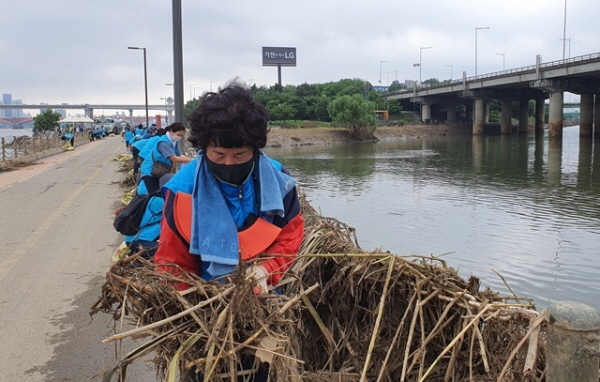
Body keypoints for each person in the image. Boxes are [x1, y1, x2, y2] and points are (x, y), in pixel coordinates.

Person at [154, 81, 304, 381]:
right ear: (203, 149)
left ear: (255, 149)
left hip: (267, 302)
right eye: (218, 155)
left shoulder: (279, 181)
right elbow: (171, 261)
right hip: (207, 307)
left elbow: (290, 235)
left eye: (240, 155)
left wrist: (267, 270)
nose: (229, 163)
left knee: (261, 372)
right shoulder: (182, 191)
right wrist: (198, 310)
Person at [124, 174, 172, 261]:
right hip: (138, 241)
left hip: (143, 238)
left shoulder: (157, 197)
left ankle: (138, 253)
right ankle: (137, 259)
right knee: (168, 252)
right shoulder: (160, 202)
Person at [138, 122, 192, 192]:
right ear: (171, 131)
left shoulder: (174, 143)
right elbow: (174, 158)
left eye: (181, 136)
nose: (179, 137)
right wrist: (193, 160)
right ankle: (139, 202)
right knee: (152, 193)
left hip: (158, 171)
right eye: (178, 135)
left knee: (157, 191)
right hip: (149, 171)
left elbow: (180, 156)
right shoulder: (164, 142)